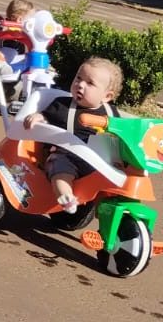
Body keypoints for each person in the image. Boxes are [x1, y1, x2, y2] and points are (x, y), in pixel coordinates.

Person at [24, 57, 122, 213]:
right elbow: (46, 116)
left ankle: (112, 210)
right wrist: (38, 117)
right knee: (60, 172)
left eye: (90, 83)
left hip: (98, 160)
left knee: (121, 174)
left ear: (106, 96)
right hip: (67, 155)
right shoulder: (61, 104)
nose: (80, 85)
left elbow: (119, 135)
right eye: (78, 78)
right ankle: (66, 197)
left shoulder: (111, 113)